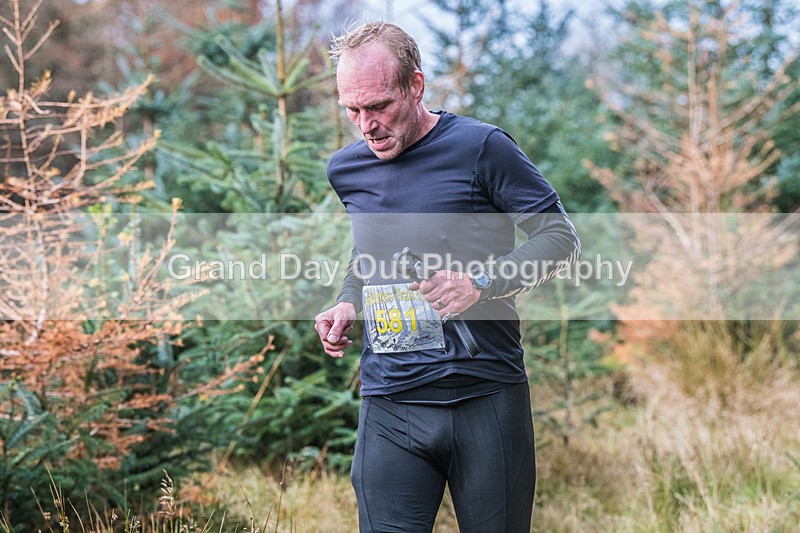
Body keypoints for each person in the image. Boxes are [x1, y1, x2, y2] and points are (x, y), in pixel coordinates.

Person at [314, 21, 580, 533]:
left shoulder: (482, 148)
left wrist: (480, 282)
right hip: (390, 404)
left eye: (379, 106)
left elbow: (560, 238)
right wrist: (349, 301)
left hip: (484, 400)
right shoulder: (346, 169)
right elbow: (369, 252)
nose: (367, 125)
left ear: (415, 86)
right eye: (353, 110)